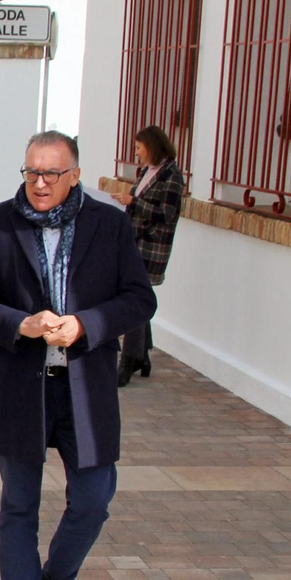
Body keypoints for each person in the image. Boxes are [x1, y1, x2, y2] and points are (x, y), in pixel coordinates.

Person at [0, 132, 156, 580]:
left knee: (94, 498)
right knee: (18, 505)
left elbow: (140, 299)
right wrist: (20, 324)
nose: (39, 184)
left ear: (75, 176)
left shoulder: (109, 225)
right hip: (22, 385)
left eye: (51, 174)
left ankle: (58, 579)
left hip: (86, 386)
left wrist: (85, 325)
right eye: (31, 173)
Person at [113, 125, 185, 386]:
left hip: (151, 245)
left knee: (134, 297)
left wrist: (133, 202)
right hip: (134, 241)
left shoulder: (171, 176)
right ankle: (142, 355)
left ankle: (129, 360)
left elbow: (167, 213)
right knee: (138, 294)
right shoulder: (146, 171)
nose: (136, 152)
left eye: (139, 147)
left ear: (151, 146)